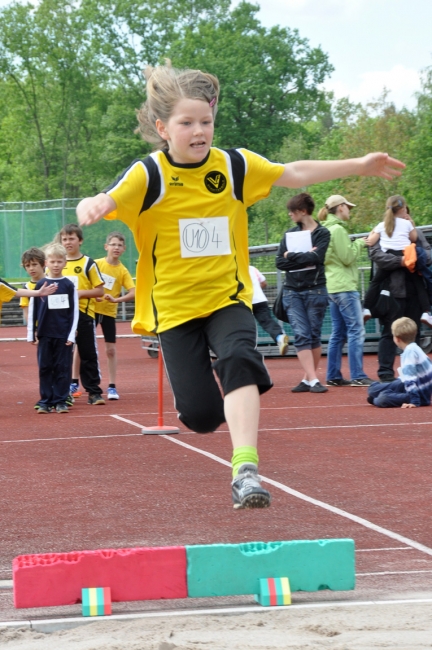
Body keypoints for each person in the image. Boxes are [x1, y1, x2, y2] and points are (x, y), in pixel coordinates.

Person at [75, 62, 404, 509]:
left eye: (205, 122)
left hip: (227, 297)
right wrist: (93, 202)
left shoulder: (233, 166)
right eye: (186, 123)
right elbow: (108, 198)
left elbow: (295, 172)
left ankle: (245, 469)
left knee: (239, 358)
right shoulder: (148, 175)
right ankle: (200, 403)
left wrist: (360, 166)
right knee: (202, 417)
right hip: (173, 309)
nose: (198, 131)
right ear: (162, 128)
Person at [368, 208, 431, 382]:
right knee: (389, 332)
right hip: (390, 292)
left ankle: (417, 372)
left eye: (405, 215)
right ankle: (386, 373)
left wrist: (414, 252)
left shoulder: (415, 232)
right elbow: (375, 255)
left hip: (414, 292)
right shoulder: (382, 231)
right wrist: (402, 261)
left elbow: (428, 254)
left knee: (415, 332)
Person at [275, 192, 330, 393]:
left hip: (315, 290)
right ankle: (314, 379)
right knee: (301, 334)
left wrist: (292, 255)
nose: (290, 214)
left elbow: (317, 257)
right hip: (292, 292)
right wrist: (302, 256)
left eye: (293, 211)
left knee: (314, 335)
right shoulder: (289, 234)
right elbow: (279, 261)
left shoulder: (323, 233)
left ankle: (308, 379)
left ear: (303, 211)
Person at [318, 195, 373, 387]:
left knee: (338, 333)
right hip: (345, 287)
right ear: (340, 207)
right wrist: (361, 242)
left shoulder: (323, 229)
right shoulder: (338, 230)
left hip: (332, 287)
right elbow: (348, 257)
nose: (349, 210)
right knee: (356, 330)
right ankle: (357, 374)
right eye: (348, 207)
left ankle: (333, 375)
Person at [363, 196, 432, 326]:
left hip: (389, 255)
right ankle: (426, 312)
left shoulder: (381, 225)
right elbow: (414, 238)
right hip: (406, 255)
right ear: (403, 209)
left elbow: (370, 243)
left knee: (376, 282)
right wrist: (411, 225)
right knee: (419, 284)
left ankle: (366, 308)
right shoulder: (407, 224)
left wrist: (370, 234)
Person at [27, 244, 79, 414]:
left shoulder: (69, 285)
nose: (56, 265)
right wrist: (31, 334)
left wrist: (71, 334)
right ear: (46, 263)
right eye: (52, 261)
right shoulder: (41, 284)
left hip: (63, 335)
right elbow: (33, 310)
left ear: (65, 262)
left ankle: (61, 400)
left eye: (59, 261)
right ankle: (45, 401)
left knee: (62, 368)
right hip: (44, 334)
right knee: (45, 367)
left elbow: (74, 312)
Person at [59, 223, 106, 405]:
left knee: (88, 354)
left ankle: (94, 392)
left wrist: (79, 293)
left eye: (71, 239)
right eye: (64, 239)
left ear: (80, 241)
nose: (68, 242)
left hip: (84, 315)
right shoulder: (56, 263)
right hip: (62, 317)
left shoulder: (88, 263)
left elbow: (100, 291)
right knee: (62, 354)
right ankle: (63, 392)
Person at [94, 231, 136, 400]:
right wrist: (92, 294)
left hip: (109, 313)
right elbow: (86, 282)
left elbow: (133, 292)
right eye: (113, 244)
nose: (116, 248)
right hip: (92, 311)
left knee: (110, 350)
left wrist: (117, 299)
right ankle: (74, 382)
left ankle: (112, 386)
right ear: (106, 247)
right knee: (82, 347)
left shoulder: (122, 271)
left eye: (119, 245)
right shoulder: (96, 264)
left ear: (124, 249)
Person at [367, 317, 432, 408]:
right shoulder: (415, 348)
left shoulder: (409, 353)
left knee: (383, 398)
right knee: (373, 389)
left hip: (417, 394)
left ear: (397, 339)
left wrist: (414, 402)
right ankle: (379, 393)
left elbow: (410, 379)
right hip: (410, 386)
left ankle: (377, 397)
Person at [249, 265, 288, 356]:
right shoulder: (252, 268)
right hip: (260, 300)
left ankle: (250, 349)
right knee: (267, 322)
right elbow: (264, 283)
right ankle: (279, 337)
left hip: (244, 301)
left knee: (246, 326)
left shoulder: (232, 269)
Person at [19, 248, 46, 324]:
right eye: (27, 265)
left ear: (43, 264)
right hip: (37, 328)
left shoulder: (52, 283)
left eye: (34, 264)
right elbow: (26, 313)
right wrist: (33, 330)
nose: (31, 268)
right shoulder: (26, 288)